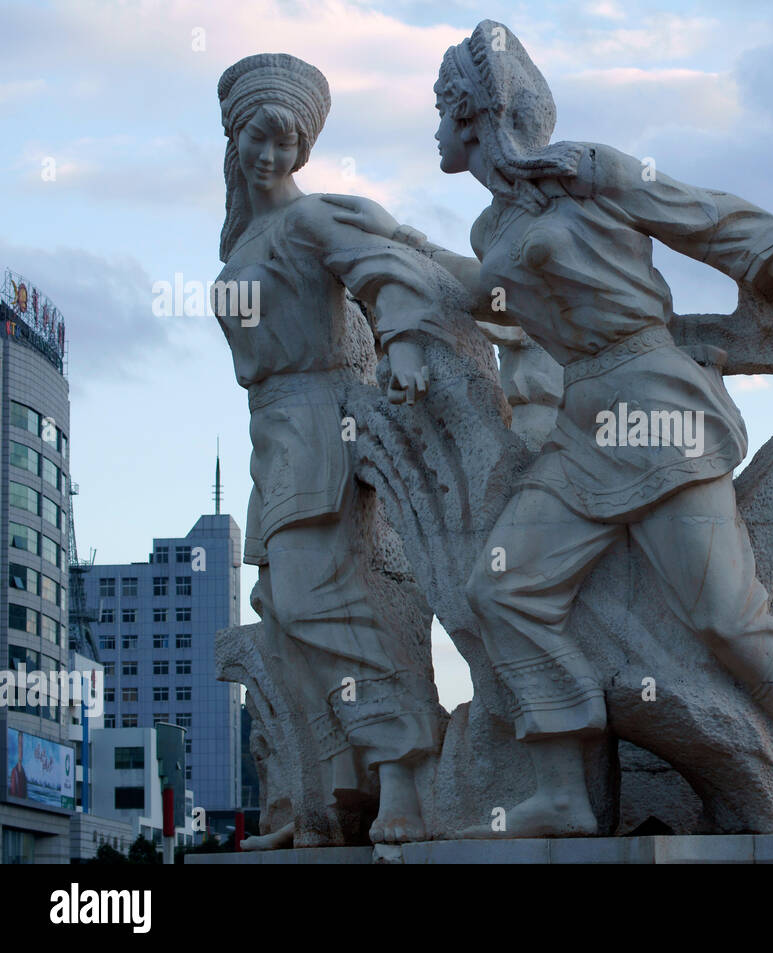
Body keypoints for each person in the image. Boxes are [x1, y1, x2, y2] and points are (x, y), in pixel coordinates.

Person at [330, 20, 773, 835]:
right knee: (504, 588)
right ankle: (564, 785)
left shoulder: (590, 174)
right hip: (584, 425)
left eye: (440, 108)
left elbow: (718, 223)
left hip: (660, 410)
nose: (432, 127)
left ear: (476, 115)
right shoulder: (490, 233)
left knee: (726, 616)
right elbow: (484, 302)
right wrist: (401, 252)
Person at [215, 53, 449, 845]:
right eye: (258, 136)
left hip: (317, 416)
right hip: (270, 427)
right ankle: (323, 797)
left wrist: (406, 346)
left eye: (287, 141)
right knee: (282, 608)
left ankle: (407, 772)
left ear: (304, 148)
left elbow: (385, 270)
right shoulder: (245, 238)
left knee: (320, 600)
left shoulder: (310, 221)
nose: (271, 155)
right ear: (235, 136)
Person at [8, 733, 27, 799]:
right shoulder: (14, 772)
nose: (21, 749)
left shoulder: (24, 774)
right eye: (19, 745)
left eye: (22, 745)